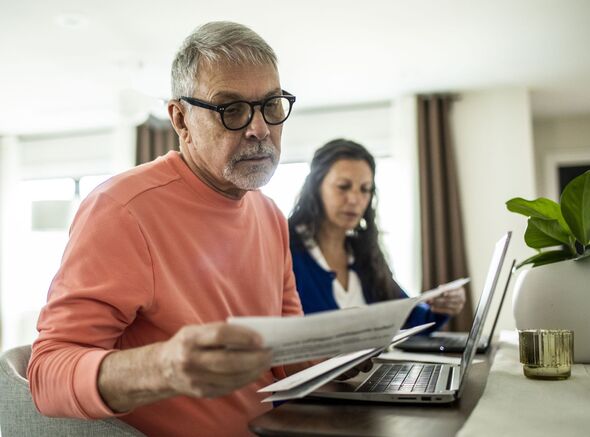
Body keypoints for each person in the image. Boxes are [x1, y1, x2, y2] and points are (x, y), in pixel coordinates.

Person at [27, 22, 306, 437]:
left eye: (271, 105)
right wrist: (164, 367)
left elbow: (288, 354)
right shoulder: (122, 210)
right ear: (180, 119)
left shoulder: (269, 215)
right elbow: (47, 375)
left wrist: (358, 351)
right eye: (230, 109)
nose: (259, 128)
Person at [288, 139, 466, 330]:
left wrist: (443, 306)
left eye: (365, 189)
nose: (355, 199)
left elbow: (409, 317)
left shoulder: (364, 254)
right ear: (315, 187)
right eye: (343, 186)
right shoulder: (287, 247)